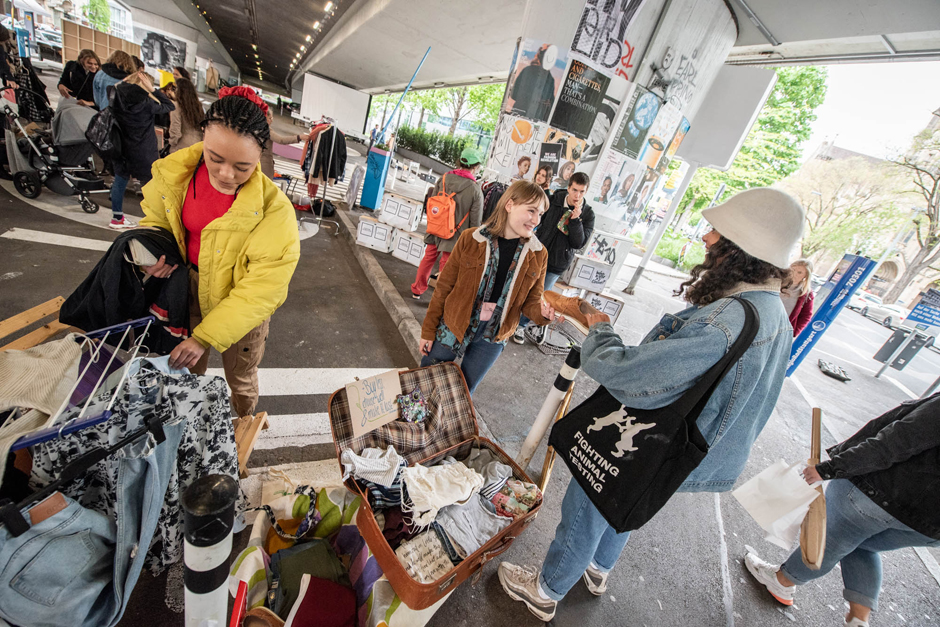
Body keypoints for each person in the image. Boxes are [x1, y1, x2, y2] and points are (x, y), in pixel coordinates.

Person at [498, 187, 805, 622]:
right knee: (628, 500)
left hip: (647, 436)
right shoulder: (773, 313)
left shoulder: (726, 319)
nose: (706, 239)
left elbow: (627, 375)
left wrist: (600, 328)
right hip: (682, 449)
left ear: (742, 250)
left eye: (717, 233)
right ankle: (597, 569)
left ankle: (545, 590)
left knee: (591, 500)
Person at [139, 86, 301, 417]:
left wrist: (205, 337)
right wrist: (153, 254)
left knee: (240, 380)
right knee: (186, 373)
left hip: (241, 310)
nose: (226, 175)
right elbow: (157, 220)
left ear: (260, 156)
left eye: (242, 167)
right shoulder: (176, 175)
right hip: (188, 293)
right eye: (215, 159)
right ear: (202, 141)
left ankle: (242, 431)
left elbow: (260, 291)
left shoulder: (276, 212)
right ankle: (189, 432)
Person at [745, 394, 940, 627]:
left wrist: (829, 469)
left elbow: (898, 441)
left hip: (878, 492)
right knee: (862, 546)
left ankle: (782, 581)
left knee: (831, 543)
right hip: (928, 528)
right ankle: (859, 619)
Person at [419, 180, 559, 394]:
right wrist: (429, 330)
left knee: (462, 395)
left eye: (540, 213)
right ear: (510, 205)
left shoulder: (538, 254)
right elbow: (444, 288)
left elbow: (532, 302)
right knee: (424, 384)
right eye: (531, 210)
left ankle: (443, 428)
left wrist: (544, 314)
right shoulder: (471, 238)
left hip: (494, 335)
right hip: (453, 323)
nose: (536, 220)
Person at [514, 171, 594, 344]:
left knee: (540, 295)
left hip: (557, 263)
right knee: (521, 286)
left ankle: (521, 325)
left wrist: (576, 219)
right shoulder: (553, 199)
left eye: (581, 191)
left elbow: (578, 243)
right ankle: (509, 318)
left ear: (586, 192)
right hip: (536, 253)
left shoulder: (587, 214)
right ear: (568, 187)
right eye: (574, 190)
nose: (577, 195)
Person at [410, 147, 486, 299]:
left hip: (436, 226)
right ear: (476, 166)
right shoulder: (475, 190)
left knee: (429, 257)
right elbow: (475, 222)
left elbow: (435, 203)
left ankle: (417, 290)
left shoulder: (444, 178)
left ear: (460, 161)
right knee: (446, 265)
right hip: (455, 234)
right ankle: (438, 298)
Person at [108, 70, 175, 229]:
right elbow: (169, 105)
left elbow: (112, 88)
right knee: (153, 184)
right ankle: (159, 219)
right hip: (143, 148)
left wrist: (124, 83)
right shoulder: (146, 104)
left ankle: (117, 218)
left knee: (120, 180)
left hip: (121, 146)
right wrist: (153, 90)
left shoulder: (117, 97)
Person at [260, 108, 309, 179]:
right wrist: (299, 137)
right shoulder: (267, 131)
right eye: (270, 118)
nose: (272, 120)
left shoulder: (256, 128)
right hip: (264, 165)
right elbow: (281, 140)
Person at [168, 77, 204, 153]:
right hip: (196, 146)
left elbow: (175, 131)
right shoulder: (198, 106)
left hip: (181, 147)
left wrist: (172, 144)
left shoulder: (176, 106)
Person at [781, 258, 814, 336]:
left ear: (805, 276)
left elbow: (806, 315)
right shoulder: (777, 282)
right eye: (793, 270)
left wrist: (794, 332)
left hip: (782, 330)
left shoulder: (806, 293)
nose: (794, 274)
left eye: (799, 272)